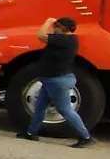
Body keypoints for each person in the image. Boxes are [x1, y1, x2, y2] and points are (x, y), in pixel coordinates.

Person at [17, 17, 95, 147]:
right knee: (40, 107)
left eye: (56, 26)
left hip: (57, 81)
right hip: (51, 80)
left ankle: (85, 136)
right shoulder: (65, 40)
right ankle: (31, 133)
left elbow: (40, 35)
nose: (54, 28)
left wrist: (47, 22)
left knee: (65, 110)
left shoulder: (64, 39)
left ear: (64, 28)